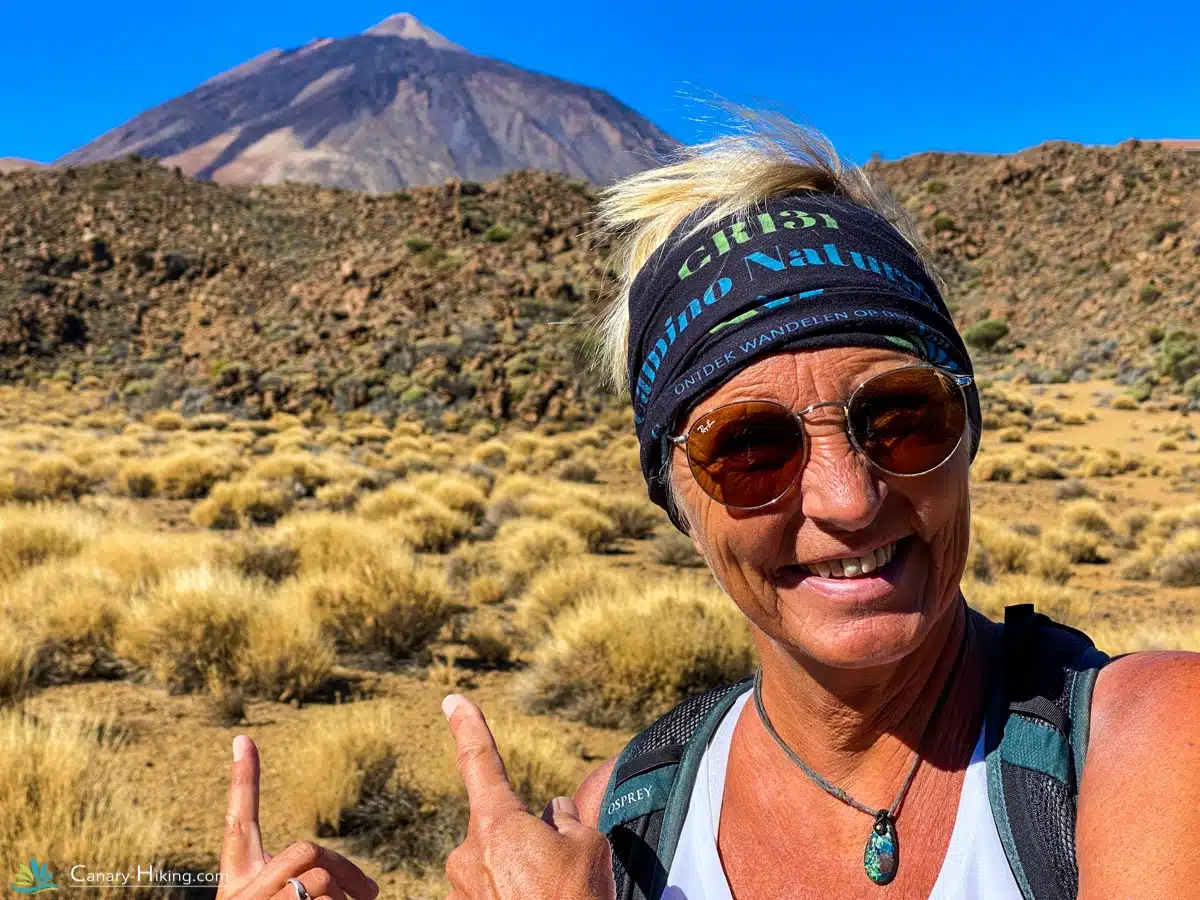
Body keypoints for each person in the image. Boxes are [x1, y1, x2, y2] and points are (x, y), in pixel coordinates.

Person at [211, 114, 1200, 900]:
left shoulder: (1152, 746)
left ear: (969, 432)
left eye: (902, 418)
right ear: (678, 500)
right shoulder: (623, 824)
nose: (848, 499)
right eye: (751, 449)